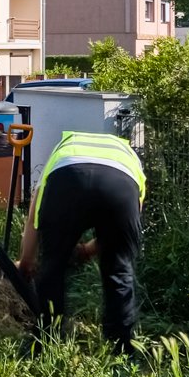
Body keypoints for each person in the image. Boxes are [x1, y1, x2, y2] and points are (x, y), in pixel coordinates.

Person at [16, 130, 146, 355]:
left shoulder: (62, 150)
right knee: (119, 269)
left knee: (53, 266)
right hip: (121, 185)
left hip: (68, 179)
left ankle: (46, 341)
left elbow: (34, 217)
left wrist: (27, 262)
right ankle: (123, 349)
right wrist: (89, 250)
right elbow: (123, 230)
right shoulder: (129, 156)